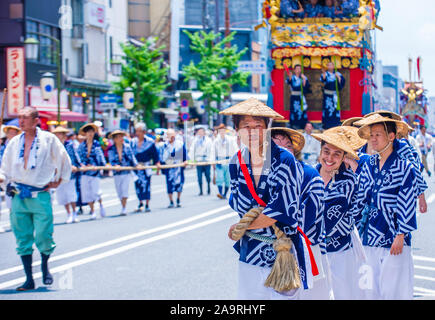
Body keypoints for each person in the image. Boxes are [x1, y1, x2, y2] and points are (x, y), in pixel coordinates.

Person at [221, 98, 311, 300]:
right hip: (250, 251)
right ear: (237, 129)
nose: (252, 132)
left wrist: (242, 226)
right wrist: (248, 221)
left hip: (281, 252)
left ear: (267, 128)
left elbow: (281, 210)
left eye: (258, 126)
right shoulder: (236, 161)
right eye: (246, 126)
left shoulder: (284, 159)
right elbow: (238, 204)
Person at [0, 107, 72, 291]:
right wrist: (2, 178)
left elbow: (64, 159)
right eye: (19, 118)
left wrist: (59, 180)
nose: (21, 121)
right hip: (18, 195)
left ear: (35, 120)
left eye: (25, 118)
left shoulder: (49, 140)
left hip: (40, 194)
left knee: (43, 235)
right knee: (22, 238)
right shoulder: (14, 142)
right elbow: (5, 168)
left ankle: (45, 265)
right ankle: (28, 278)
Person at [355, 115, 422, 299]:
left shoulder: (404, 166)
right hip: (369, 236)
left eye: (378, 134)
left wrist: (401, 235)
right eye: (371, 135)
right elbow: (361, 198)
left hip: (394, 237)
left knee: (395, 291)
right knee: (369, 291)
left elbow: (407, 201)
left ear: (391, 136)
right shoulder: (368, 164)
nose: (373, 139)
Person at [269, 126, 333, 300]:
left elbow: (307, 218)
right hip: (273, 251)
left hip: (307, 247)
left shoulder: (310, 175)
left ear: (294, 150)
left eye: (288, 145)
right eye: (276, 145)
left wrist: (270, 221)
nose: (282, 149)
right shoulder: (264, 177)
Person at [311, 126, 367, 299]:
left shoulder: (348, 181)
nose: (329, 158)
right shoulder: (309, 175)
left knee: (344, 294)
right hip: (313, 251)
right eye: (326, 151)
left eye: (337, 154)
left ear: (344, 157)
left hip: (340, 250)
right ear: (320, 151)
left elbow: (344, 218)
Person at [52, 127, 82, 224]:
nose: (58, 136)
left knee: (71, 193)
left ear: (64, 135)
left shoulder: (69, 145)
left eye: (60, 134)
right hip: (58, 173)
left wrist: (76, 165)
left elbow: (75, 156)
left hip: (69, 172)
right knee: (62, 195)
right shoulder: (53, 146)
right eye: (56, 134)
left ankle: (74, 213)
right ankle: (68, 213)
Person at [77, 123, 107, 220]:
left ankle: (101, 204)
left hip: (95, 172)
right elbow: (79, 159)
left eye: (91, 132)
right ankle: (93, 211)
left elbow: (101, 159)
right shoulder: (81, 146)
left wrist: (97, 166)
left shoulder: (97, 145)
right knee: (87, 193)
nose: (90, 134)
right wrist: (82, 165)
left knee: (96, 191)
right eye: (88, 132)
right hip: (85, 172)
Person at [131, 123, 160, 213]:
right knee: (138, 184)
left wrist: (157, 163)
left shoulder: (150, 142)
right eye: (137, 131)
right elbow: (130, 154)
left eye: (140, 131)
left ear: (144, 132)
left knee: (147, 184)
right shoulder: (133, 142)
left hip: (146, 165)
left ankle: (147, 203)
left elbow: (155, 154)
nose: (138, 133)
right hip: (136, 167)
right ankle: (140, 202)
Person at [108, 130, 138, 216]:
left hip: (126, 171)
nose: (120, 139)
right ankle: (122, 205)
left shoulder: (127, 147)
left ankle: (124, 207)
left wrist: (136, 165)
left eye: (121, 137)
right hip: (117, 173)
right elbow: (111, 160)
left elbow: (132, 157)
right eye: (118, 137)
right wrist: (115, 165)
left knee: (125, 189)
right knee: (119, 191)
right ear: (114, 139)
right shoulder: (111, 149)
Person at [0, 125, 22, 233]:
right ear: (7, 134)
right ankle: (12, 222)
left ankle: (18, 223)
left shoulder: (19, 146)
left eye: (14, 132)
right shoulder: (3, 148)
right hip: (4, 177)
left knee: (17, 200)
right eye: (10, 132)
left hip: (17, 177)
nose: (12, 134)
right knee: (9, 202)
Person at [161, 129, 188, 208]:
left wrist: (185, 161)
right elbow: (161, 157)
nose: (171, 137)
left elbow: (184, 154)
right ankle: (171, 201)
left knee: (180, 184)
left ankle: (178, 199)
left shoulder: (180, 143)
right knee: (169, 184)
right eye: (169, 135)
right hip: (169, 167)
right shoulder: (164, 145)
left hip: (178, 166)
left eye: (172, 135)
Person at [211, 124, 238, 200]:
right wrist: (213, 161)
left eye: (223, 130)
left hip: (228, 160)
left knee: (227, 178)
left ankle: (225, 194)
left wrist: (235, 160)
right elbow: (213, 151)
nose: (222, 132)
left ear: (225, 131)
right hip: (219, 161)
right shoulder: (216, 141)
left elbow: (235, 149)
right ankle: (220, 192)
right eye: (220, 131)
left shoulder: (231, 139)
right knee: (219, 178)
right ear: (218, 132)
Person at [320, 61, 345, 129]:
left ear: (334, 66)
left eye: (331, 65)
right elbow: (323, 82)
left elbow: (342, 83)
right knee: (327, 109)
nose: (330, 67)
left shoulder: (337, 74)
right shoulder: (325, 74)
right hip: (327, 95)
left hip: (334, 95)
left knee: (335, 109)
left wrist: (339, 78)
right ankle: (326, 125)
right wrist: (324, 75)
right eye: (329, 65)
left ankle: (336, 124)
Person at [189, 127, 213, 196]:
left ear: (204, 132)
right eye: (199, 132)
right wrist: (192, 160)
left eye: (201, 132)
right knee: (199, 177)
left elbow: (211, 150)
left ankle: (208, 187)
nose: (200, 133)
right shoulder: (195, 141)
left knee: (207, 176)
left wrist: (211, 159)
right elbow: (192, 150)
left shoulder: (208, 140)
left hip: (206, 160)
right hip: (199, 160)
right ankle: (201, 190)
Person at [286, 64, 311, 130]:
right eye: (297, 69)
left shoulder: (303, 77)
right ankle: (293, 124)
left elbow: (306, 87)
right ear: (294, 70)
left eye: (299, 69)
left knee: (302, 111)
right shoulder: (292, 77)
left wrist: (304, 80)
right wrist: (290, 78)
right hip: (294, 97)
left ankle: (302, 125)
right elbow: (289, 82)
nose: (298, 70)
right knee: (294, 110)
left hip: (300, 97)